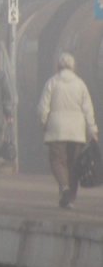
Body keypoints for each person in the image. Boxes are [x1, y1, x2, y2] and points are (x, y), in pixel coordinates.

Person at [37, 52, 98, 209]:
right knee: (73, 165)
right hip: (77, 131)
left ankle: (64, 188)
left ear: (58, 66)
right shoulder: (80, 84)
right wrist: (92, 130)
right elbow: (88, 109)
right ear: (73, 67)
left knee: (57, 161)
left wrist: (44, 123)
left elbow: (43, 107)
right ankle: (69, 199)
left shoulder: (52, 82)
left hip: (57, 129)